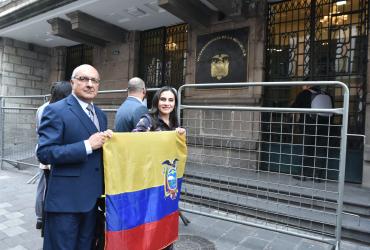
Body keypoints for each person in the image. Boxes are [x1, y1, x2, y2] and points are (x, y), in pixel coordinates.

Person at [37, 64, 113, 250]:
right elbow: (45, 153)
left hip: (92, 201)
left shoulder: (101, 115)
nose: (89, 84)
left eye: (94, 80)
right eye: (83, 79)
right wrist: (87, 145)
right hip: (66, 202)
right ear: (72, 82)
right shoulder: (56, 110)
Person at [134, 86, 185, 250]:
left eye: (171, 100)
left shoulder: (175, 121)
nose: (167, 103)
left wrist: (181, 136)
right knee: (152, 219)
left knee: (167, 216)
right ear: (156, 101)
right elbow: (133, 139)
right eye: (163, 99)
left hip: (168, 181)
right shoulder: (148, 119)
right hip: (151, 181)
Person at [34, 81, 72, 232]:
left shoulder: (41, 109)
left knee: (42, 187)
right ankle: (45, 219)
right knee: (48, 188)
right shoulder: (56, 110)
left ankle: (40, 218)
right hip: (52, 155)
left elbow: (38, 130)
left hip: (44, 153)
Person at [292, 84, 333, 182]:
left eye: (303, 85)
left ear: (308, 85)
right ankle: (317, 176)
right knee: (320, 151)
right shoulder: (327, 95)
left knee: (306, 150)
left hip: (308, 126)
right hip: (324, 127)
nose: (302, 87)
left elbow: (294, 107)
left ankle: (302, 174)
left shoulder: (304, 94)